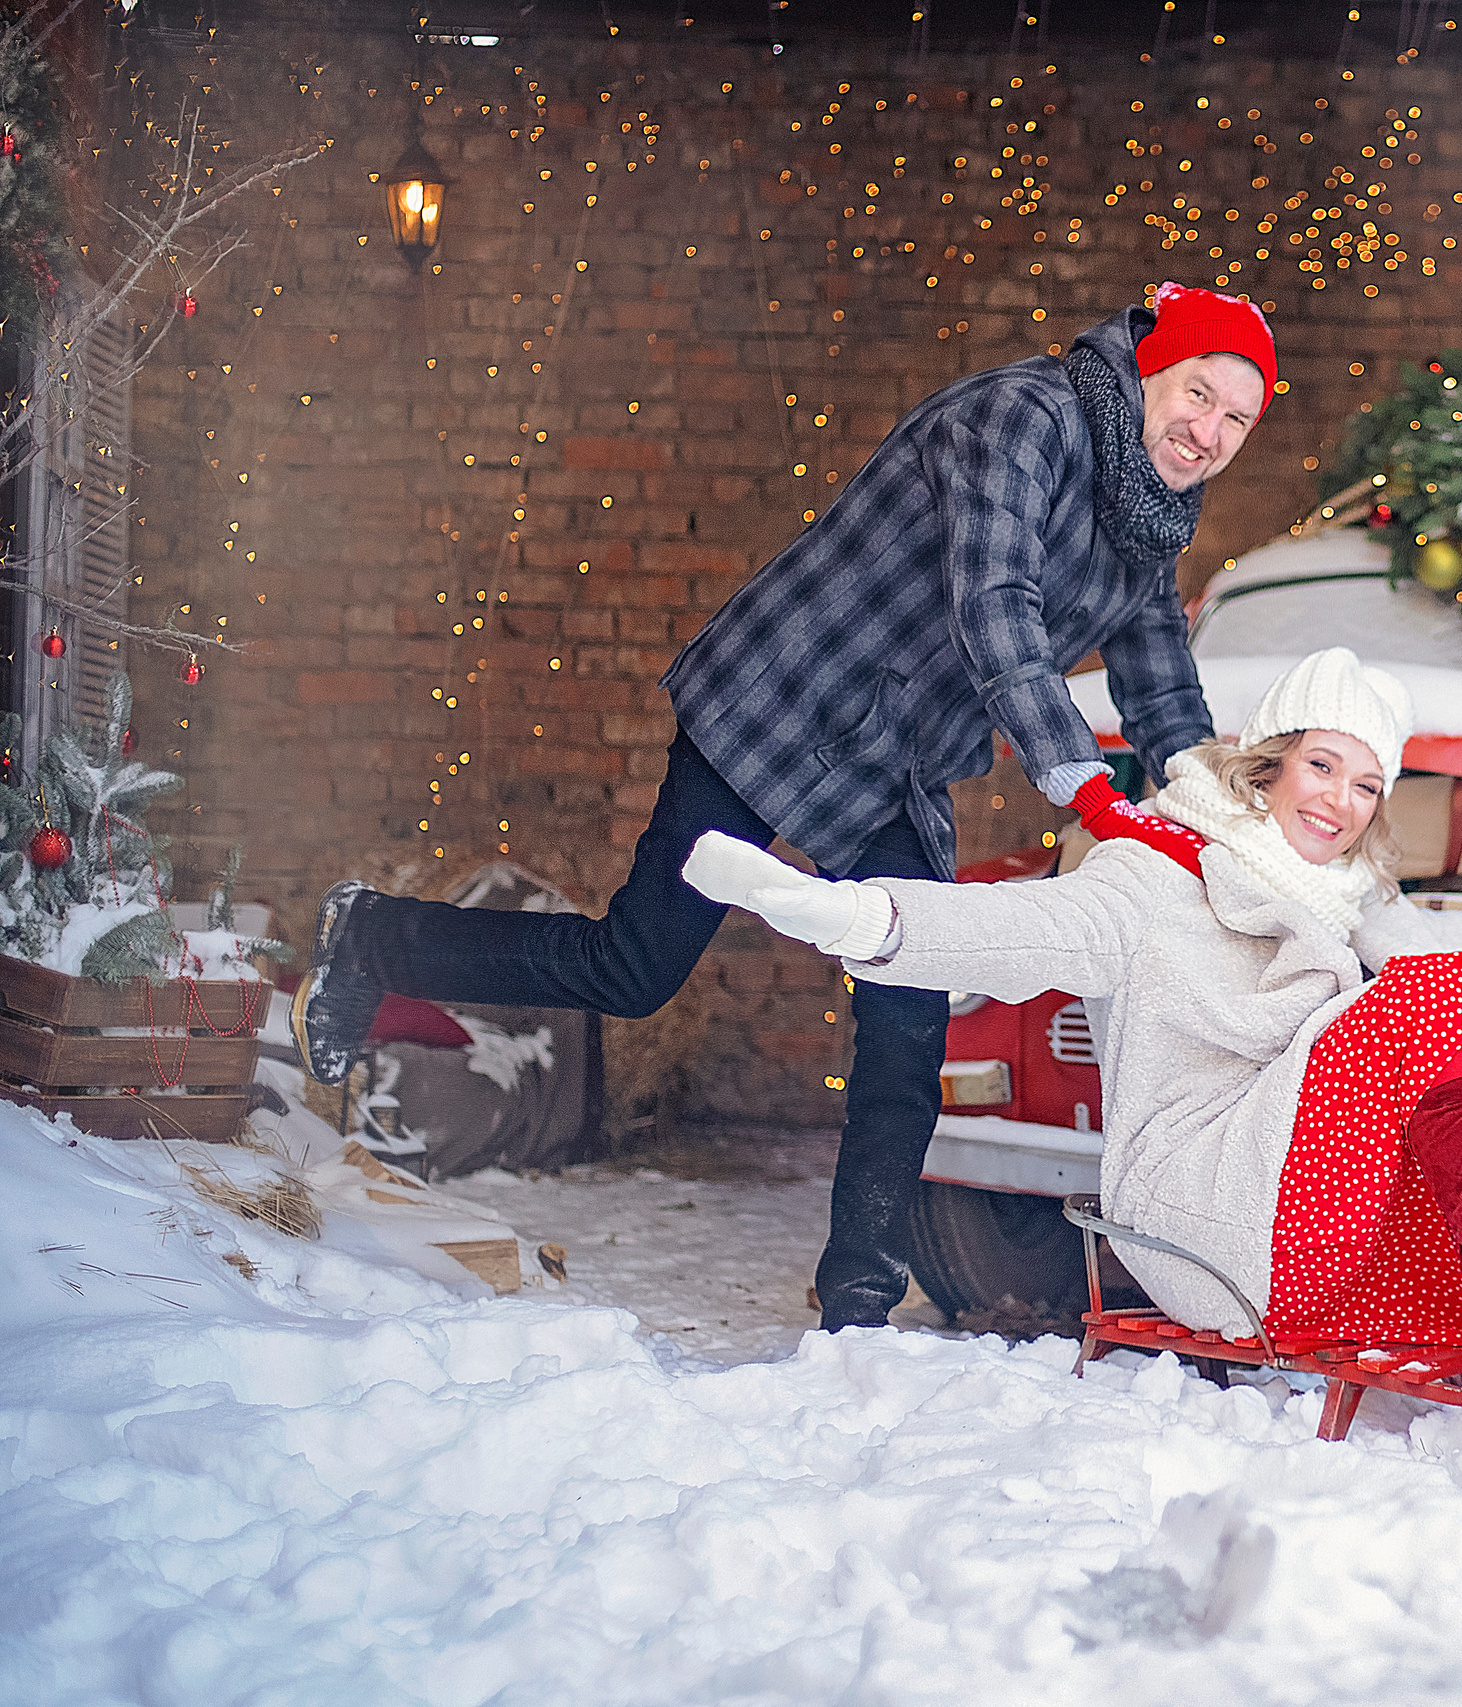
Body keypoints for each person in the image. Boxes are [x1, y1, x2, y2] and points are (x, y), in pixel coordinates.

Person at [293, 283, 1279, 1329]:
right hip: (781, 694)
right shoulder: (1022, 419)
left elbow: (1160, 673)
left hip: (890, 758)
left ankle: (858, 1302)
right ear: (1146, 370)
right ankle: (373, 937)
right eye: (1196, 394)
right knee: (634, 971)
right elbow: (996, 604)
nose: (1206, 431)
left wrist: (1216, 812)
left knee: (907, 1009)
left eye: (1235, 421)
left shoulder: (1154, 509)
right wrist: (1079, 779)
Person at [684, 649, 1462, 1402]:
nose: (1339, 800)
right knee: (1432, 993)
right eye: (1323, 765)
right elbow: (1017, 931)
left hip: (1307, 1210)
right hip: (1206, 1220)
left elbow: (1461, 960)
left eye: (1368, 783)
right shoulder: (1157, 870)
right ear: (1271, 758)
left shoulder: (1348, 901)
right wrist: (854, 914)